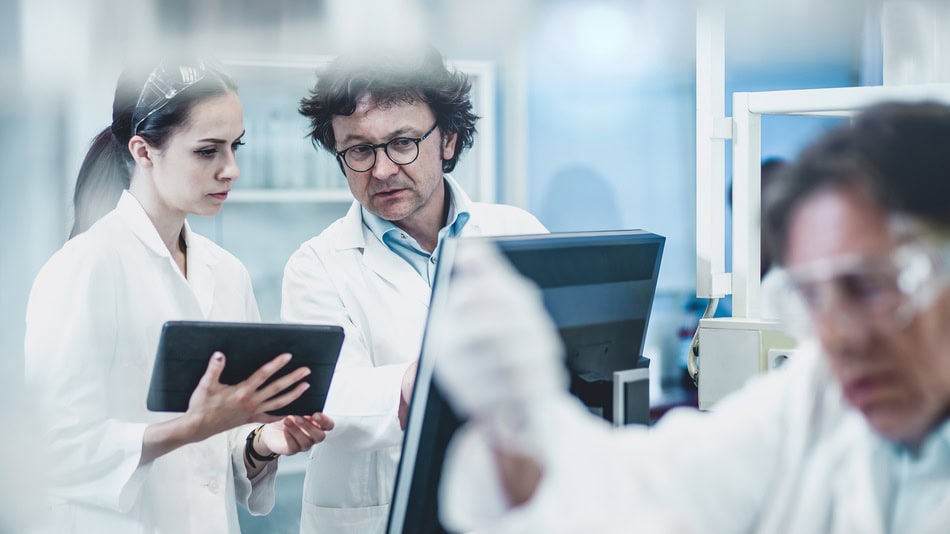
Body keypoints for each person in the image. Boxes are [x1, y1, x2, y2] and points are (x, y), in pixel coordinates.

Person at [431, 101, 950, 533]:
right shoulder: (814, 399)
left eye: (870, 287)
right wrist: (524, 416)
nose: (838, 336)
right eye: (812, 299)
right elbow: (650, 490)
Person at [24, 58, 334, 533]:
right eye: (208, 151)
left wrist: (264, 442)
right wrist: (189, 428)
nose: (231, 169)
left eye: (236, 146)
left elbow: (219, 454)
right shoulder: (83, 267)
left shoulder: (227, 273)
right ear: (144, 151)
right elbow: (55, 449)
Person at [282, 43, 547, 532]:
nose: (381, 170)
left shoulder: (519, 234)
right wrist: (424, 378)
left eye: (402, 142)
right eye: (359, 149)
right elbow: (329, 396)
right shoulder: (316, 265)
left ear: (447, 138)